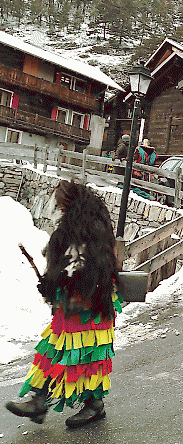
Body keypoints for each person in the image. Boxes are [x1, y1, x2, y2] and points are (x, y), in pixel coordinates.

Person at [5, 180, 123, 428]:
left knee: (89, 356)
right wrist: (51, 283)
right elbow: (63, 263)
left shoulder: (92, 229)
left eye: (61, 201)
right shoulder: (71, 227)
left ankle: (94, 405)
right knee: (53, 348)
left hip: (91, 304)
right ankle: (39, 401)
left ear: (72, 202)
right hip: (71, 305)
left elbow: (87, 267)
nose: (58, 206)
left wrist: (62, 282)